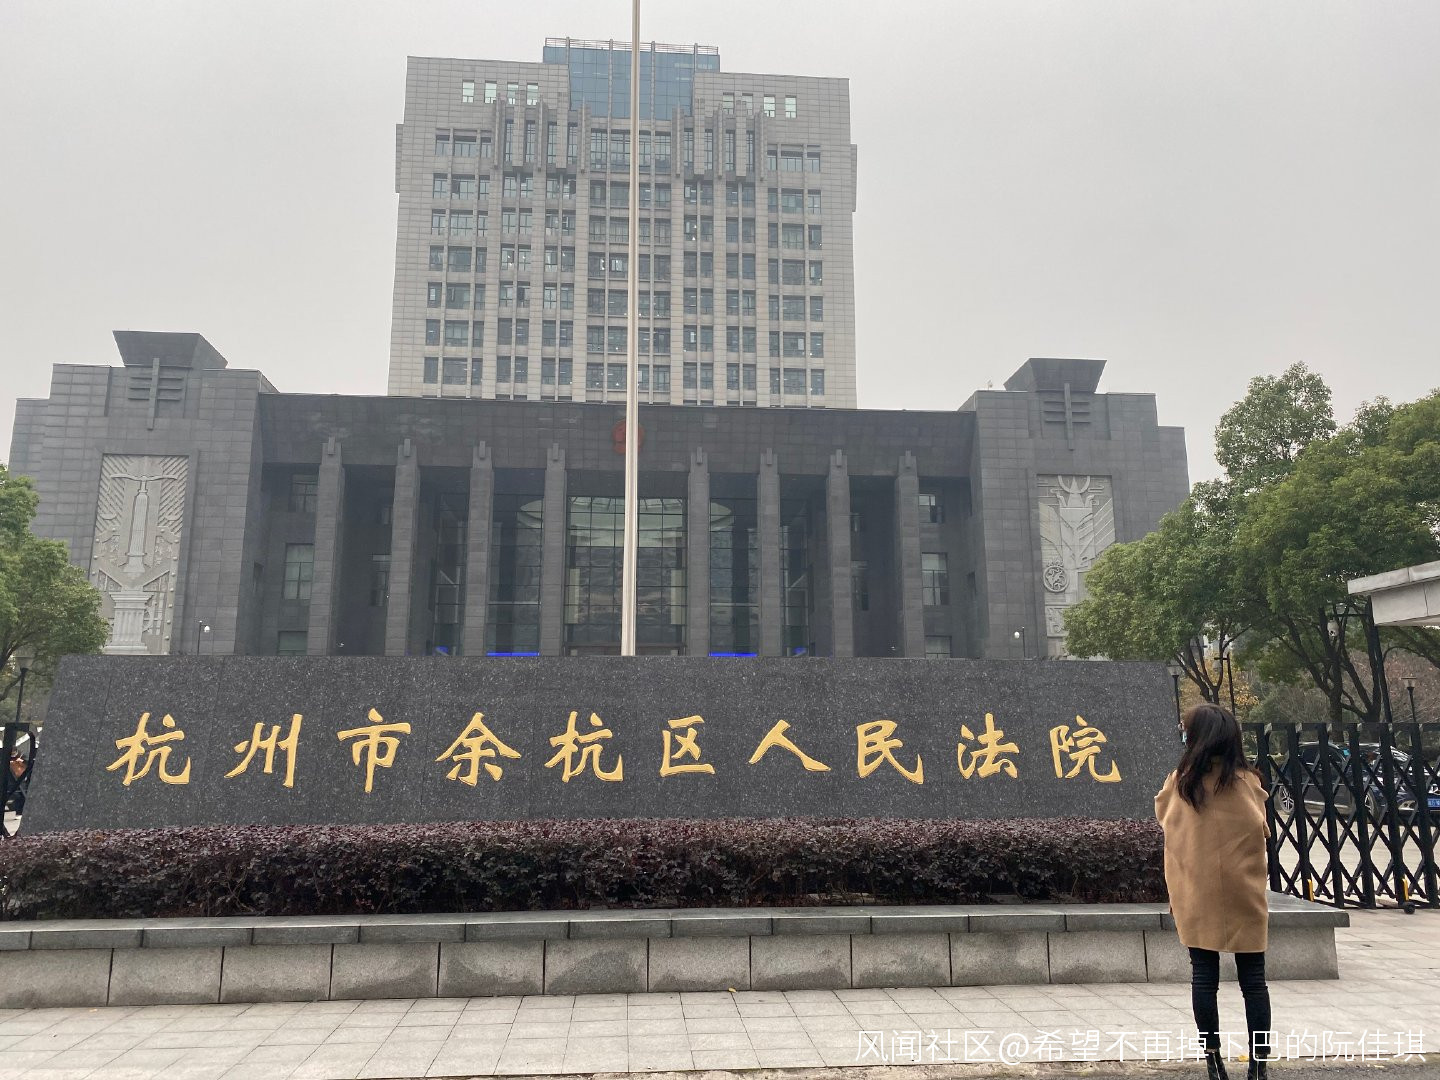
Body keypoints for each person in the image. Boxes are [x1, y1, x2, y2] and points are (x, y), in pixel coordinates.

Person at [1155, 703, 1272, 1080]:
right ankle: (1259, 1066)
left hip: (1197, 893)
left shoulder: (1182, 783)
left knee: (1203, 976)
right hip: (1244, 892)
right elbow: (1261, 830)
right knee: (1254, 981)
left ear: (1196, 737)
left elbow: (1166, 823)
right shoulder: (1247, 782)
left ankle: (1213, 1061)